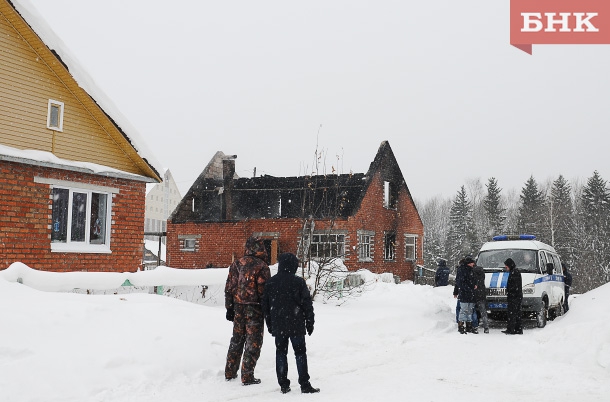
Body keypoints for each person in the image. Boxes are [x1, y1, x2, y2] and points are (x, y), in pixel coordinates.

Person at [262, 253, 320, 394]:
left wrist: (269, 324)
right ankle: (304, 384)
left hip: (279, 324)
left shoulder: (270, 283)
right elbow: (307, 304)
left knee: (281, 353)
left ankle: (283, 384)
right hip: (296, 324)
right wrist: (310, 322)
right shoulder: (298, 282)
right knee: (300, 353)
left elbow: (266, 306)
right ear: (293, 265)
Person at [224, 237, 271, 385]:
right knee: (253, 341)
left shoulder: (236, 264)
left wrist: (229, 307)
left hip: (238, 307)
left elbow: (229, 287)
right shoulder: (262, 266)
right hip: (255, 309)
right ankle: (247, 375)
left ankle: (230, 371)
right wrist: (267, 310)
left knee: (237, 339)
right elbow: (264, 291)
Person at [453, 256, 478, 334]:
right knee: (464, 310)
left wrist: (474, 285)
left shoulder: (469, 270)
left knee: (468, 310)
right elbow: (460, 283)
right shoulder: (463, 270)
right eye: (472, 263)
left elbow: (460, 282)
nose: (473, 264)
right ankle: (462, 325)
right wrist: (470, 288)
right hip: (466, 293)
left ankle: (467, 325)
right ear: (469, 263)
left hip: (468, 293)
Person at [503, 258, 523, 335]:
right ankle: (518, 329)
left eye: (506, 266)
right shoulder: (515, 272)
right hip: (516, 297)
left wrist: (510, 293)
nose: (506, 268)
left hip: (514, 297)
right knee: (517, 313)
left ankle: (512, 329)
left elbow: (514, 286)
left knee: (512, 314)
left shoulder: (514, 273)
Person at [472, 262, 489, 334]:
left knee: (473, 311)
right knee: (483, 312)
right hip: (482, 294)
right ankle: (486, 327)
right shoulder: (482, 272)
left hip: (474, 294)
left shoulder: (472, 272)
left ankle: (475, 325)